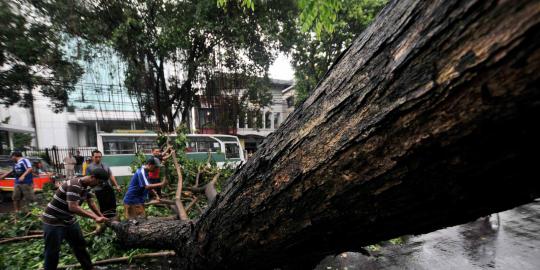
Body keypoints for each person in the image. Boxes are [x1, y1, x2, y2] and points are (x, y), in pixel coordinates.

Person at [42, 168, 110, 270]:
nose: (98, 185)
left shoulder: (87, 186)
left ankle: (89, 268)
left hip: (69, 220)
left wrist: (101, 216)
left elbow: (91, 203)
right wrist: (95, 217)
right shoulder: (74, 185)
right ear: (92, 177)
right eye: (99, 182)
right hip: (53, 221)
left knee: (80, 246)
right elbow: (73, 207)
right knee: (52, 252)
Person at [85, 150, 121, 220]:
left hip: (109, 188)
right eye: (96, 157)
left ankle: (113, 220)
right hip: (98, 190)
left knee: (112, 204)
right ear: (92, 157)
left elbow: (111, 175)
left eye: (99, 157)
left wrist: (116, 185)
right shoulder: (89, 167)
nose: (98, 158)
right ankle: (104, 220)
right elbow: (88, 180)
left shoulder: (105, 165)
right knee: (103, 207)